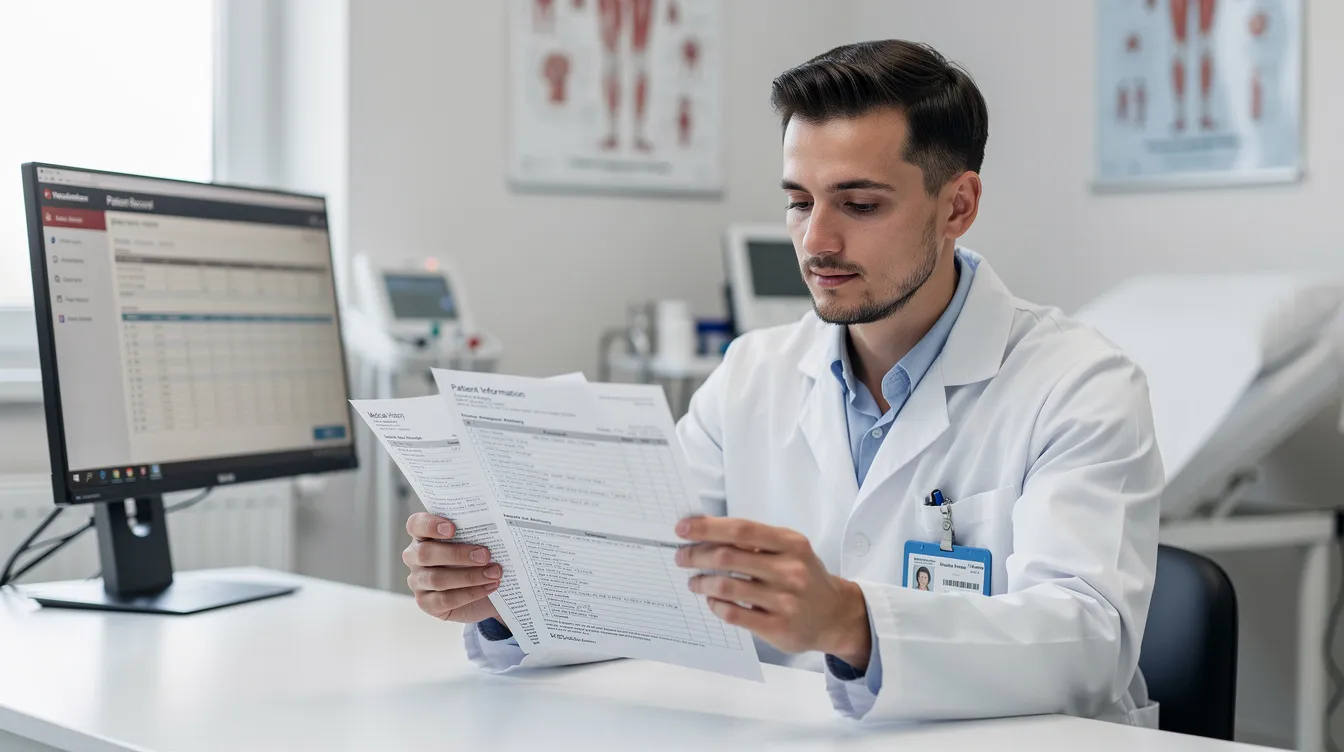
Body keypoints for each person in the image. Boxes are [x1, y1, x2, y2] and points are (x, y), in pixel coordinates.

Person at [402, 39, 1162, 726]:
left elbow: (1090, 640)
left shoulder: (1078, 385)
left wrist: (851, 622)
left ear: (957, 205)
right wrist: (510, 599)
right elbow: (650, 586)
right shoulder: (752, 374)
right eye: (799, 202)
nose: (816, 241)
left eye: (859, 205)